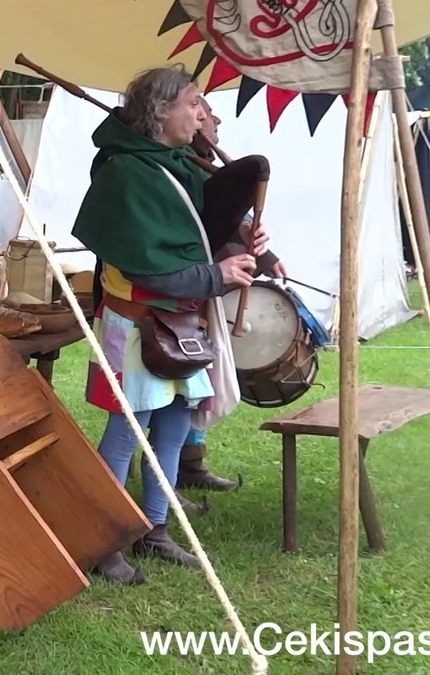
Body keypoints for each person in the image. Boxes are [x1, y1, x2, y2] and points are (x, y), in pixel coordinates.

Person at [72, 66, 268, 585]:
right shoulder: (124, 173)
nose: (202, 115)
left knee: (176, 426)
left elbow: (206, 228)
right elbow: (145, 264)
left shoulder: (180, 162)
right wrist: (216, 274)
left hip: (180, 323)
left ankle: (154, 530)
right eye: (194, 103)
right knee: (125, 433)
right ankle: (103, 539)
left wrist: (246, 239)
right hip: (136, 323)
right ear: (161, 112)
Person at [171, 97, 289, 512]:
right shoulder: (171, 165)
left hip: (200, 289)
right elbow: (192, 233)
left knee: (199, 378)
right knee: (173, 387)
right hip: (172, 291)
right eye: (201, 107)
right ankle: (161, 479)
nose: (213, 117)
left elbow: (223, 223)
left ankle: (190, 463)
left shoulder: (198, 161)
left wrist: (263, 252)